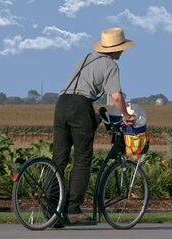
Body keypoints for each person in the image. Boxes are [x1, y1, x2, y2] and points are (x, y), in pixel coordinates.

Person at [52, 27, 136, 223]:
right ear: (116, 49)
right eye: (122, 48)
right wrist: (125, 115)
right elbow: (116, 96)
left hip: (61, 103)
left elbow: (81, 89)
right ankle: (73, 210)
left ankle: (51, 209)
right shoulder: (111, 66)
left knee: (59, 159)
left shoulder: (85, 58)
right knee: (82, 159)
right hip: (80, 105)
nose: (123, 51)